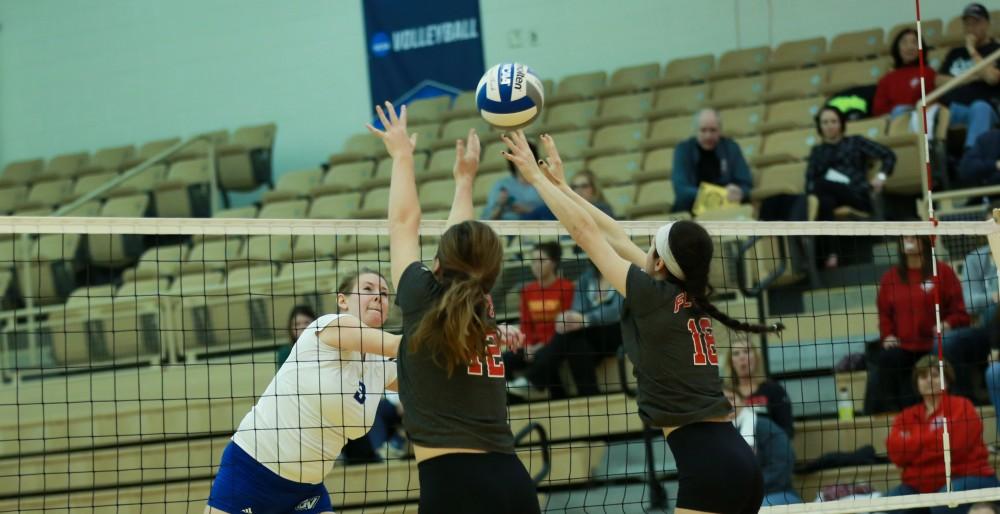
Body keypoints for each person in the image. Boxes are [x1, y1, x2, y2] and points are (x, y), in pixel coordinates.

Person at [503, 129, 784, 514]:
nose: (645, 248)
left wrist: (535, 180)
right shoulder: (685, 296)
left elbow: (586, 234)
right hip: (734, 458)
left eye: (652, 244)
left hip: (710, 467)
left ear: (660, 263)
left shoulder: (653, 296)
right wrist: (565, 187)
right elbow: (614, 235)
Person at [370, 102, 538, 514]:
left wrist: (402, 155)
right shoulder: (482, 304)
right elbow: (459, 250)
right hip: (513, 481)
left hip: (452, 488)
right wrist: (464, 184)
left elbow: (403, 222)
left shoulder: (421, 296)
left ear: (438, 265)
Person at [205, 270, 401, 514]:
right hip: (251, 472)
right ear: (343, 301)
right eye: (368, 289)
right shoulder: (329, 325)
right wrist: (449, 337)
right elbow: (398, 345)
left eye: (384, 293)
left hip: (306, 490)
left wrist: (461, 366)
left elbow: (424, 380)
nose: (378, 297)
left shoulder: (378, 365)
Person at [868, 236, 970, 414]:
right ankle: (888, 414)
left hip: (935, 343)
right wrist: (888, 335)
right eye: (904, 238)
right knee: (886, 358)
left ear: (923, 241)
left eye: (913, 237)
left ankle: (953, 408)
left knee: (942, 351)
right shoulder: (889, 278)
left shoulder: (943, 272)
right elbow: (884, 314)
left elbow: (960, 312)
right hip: (904, 346)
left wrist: (946, 324)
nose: (909, 241)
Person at [886, 356, 999, 514]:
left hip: (971, 478)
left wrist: (914, 443)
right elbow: (896, 454)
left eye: (935, 375)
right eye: (923, 376)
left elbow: (956, 447)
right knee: (887, 504)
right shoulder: (906, 416)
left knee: (943, 503)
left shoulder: (962, 406)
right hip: (920, 486)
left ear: (947, 379)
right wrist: (933, 438)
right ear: (916, 383)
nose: (929, 380)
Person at [507, 260, 624, 400]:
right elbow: (577, 308)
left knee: (570, 336)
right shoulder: (587, 278)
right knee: (576, 343)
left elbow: (616, 311)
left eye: (541, 260)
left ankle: (535, 380)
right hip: (587, 335)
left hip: (617, 332)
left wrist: (584, 319)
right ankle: (589, 396)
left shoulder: (623, 273)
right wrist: (571, 318)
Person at [807, 106, 896, 267]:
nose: (829, 125)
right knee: (825, 201)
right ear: (819, 126)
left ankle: (819, 253)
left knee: (819, 186)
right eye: (825, 122)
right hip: (829, 196)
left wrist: (881, 177)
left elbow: (888, 155)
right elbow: (809, 182)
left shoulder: (855, 141)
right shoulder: (817, 152)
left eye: (833, 121)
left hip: (856, 194)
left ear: (841, 123)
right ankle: (833, 254)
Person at [503, 241, 575, 376]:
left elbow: (564, 325)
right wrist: (528, 345)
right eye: (533, 261)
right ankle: (511, 395)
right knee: (505, 359)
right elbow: (525, 324)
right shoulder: (527, 291)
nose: (536, 265)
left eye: (541, 260)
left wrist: (539, 347)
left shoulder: (567, 287)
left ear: (553, 263)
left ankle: (557, 395)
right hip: (533, 345)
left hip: (556, 344)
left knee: (544, 357)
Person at [936, 3, 1000, 150]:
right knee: (928, 112)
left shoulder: (996, 50)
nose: (971, 28)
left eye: (976, 23)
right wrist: (973, 76)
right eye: (967, 24)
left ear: (986, 24)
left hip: (985, 108)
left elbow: (992, 78)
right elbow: (939, 81)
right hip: (953, 108)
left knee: (979, 108)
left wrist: (971, 50)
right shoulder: (955, 53)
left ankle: (972, 159)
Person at [725, 388, 802, 507]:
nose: (727, 403)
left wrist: (749, 488)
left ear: (743, 401)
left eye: (731, 398)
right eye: (722, 399)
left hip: (777, 493)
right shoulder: (719, 433)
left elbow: (783, 464)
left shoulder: (765, 426)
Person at [671, 109, 753, 213]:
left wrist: (739, 191)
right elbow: (681, 189)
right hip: (693, 203)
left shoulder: (731, 147)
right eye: (703, 130)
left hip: (727, 204)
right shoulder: (683, 149)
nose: (708, 136)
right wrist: (713, 195)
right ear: (695, 131)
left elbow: (745, 183)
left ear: (720, 130)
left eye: (713, 130)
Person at [720, 333, 794, 438]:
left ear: (756, 357)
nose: (742, 357)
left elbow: (787, 429)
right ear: (730, 362)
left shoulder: (773, 389)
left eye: (746, 351)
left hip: (768, 447)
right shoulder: (722, 392)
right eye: (736, 353)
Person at [874, 28, 936, 118]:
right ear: (897, 48)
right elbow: (878, 110)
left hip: (924, 116)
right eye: (904, 43)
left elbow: (933, 101)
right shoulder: (886, 79)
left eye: (915, 43)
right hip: (896, 121)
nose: (910, 47)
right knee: (899, 110)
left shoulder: (929, 73)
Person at [481, 140, 544, 220]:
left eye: (525, 156)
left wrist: (528, 210)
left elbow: (552, 213)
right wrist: (500, 206)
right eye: (516, 156)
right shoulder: (502, 185)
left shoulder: (545, 184)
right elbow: (487, 219)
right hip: (509, 228)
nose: (520, 160)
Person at [524, 170, 614, 219]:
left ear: (594, 188)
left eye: (584, 186)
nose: (579, 190)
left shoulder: (603, 209)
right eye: (575, 186)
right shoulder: (566, 207)